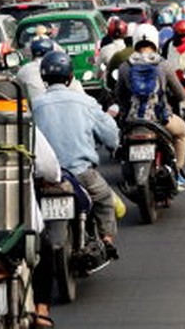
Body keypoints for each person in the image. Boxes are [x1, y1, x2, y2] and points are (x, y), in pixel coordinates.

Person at [30, 49, 120, 328]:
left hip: (46, 178)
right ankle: (106, 241)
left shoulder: (35, 104)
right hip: (82, 174)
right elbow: (110, 134)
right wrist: (113, 145)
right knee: (105, 199)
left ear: (44, 77)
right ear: (70, 77)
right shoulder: (85, 101)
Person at [114, 26, 185, 190]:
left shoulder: (125, 66)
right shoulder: (163, 64)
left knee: (121, 144)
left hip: (133, 120)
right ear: (155, 42)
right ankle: (178, 172)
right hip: (160, 118)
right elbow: (180, 94)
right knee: (182, 132)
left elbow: (119, 94)